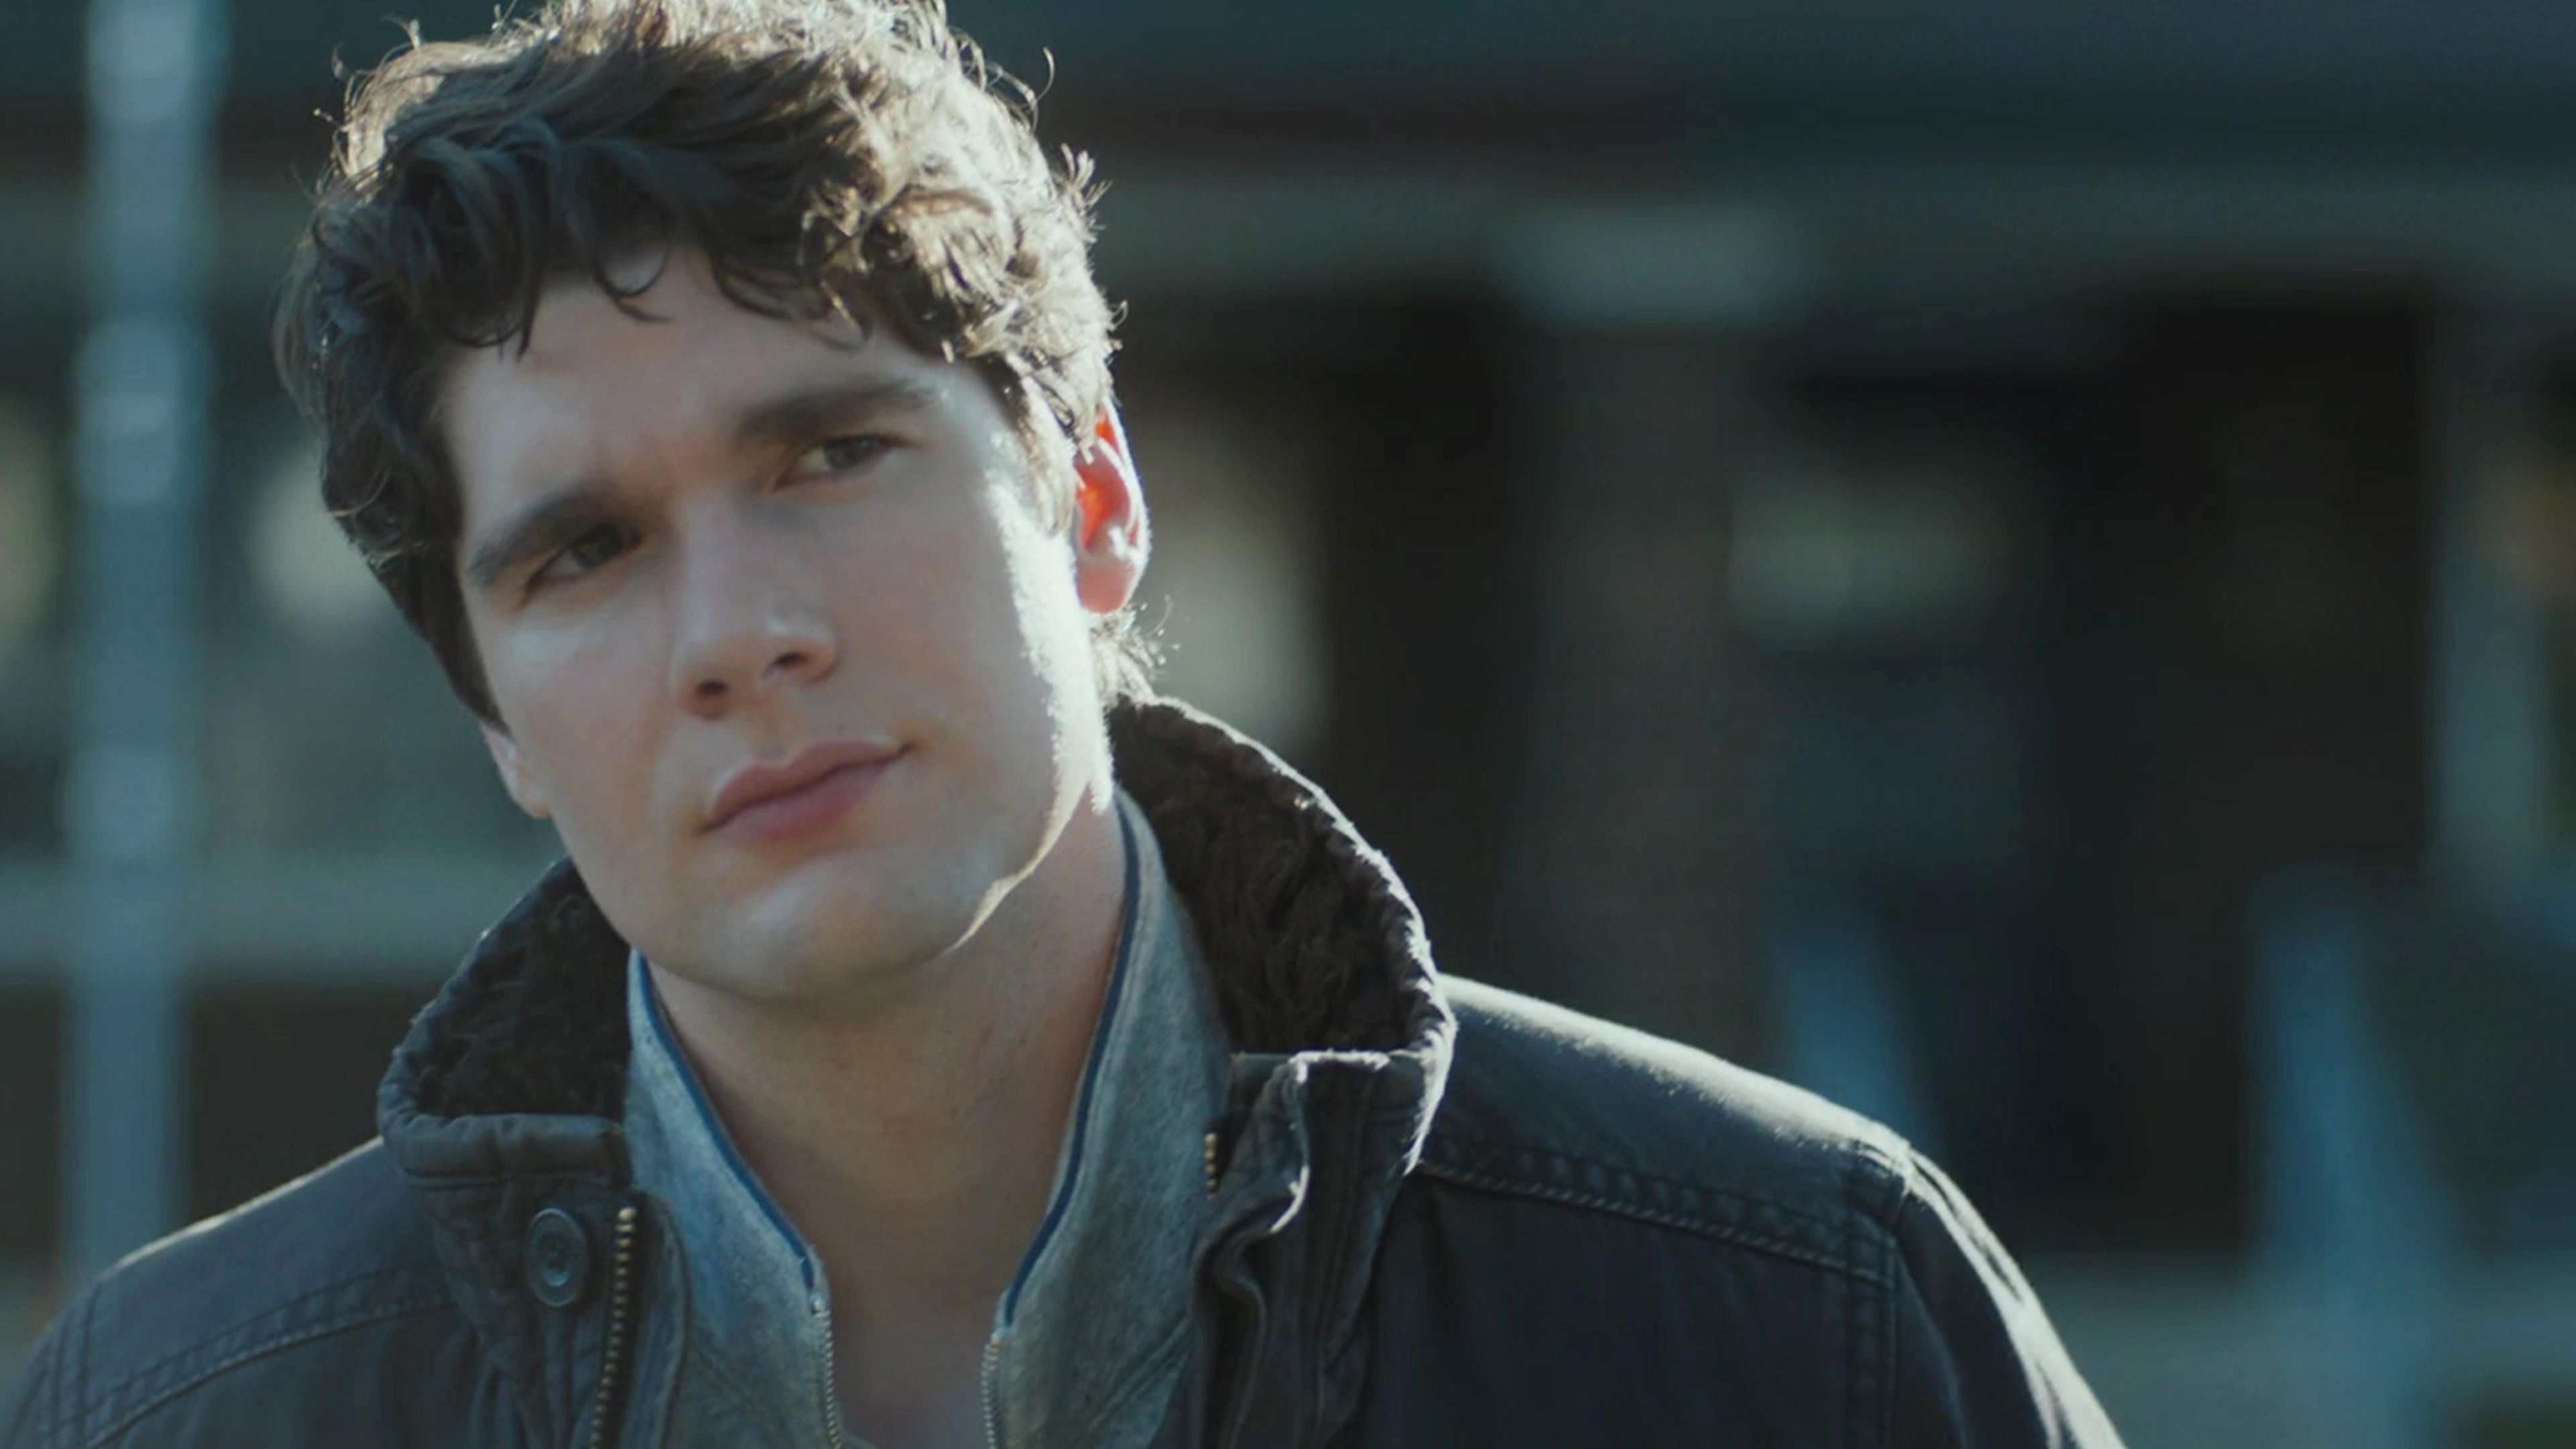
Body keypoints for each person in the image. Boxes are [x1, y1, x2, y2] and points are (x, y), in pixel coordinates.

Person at [1, 1, 2125, 1444]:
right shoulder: (191, 1410)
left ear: (1093, 503)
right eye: (585, 552)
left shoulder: (1798, 1318)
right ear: (497, 727)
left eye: (830, 455)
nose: (739, 634)